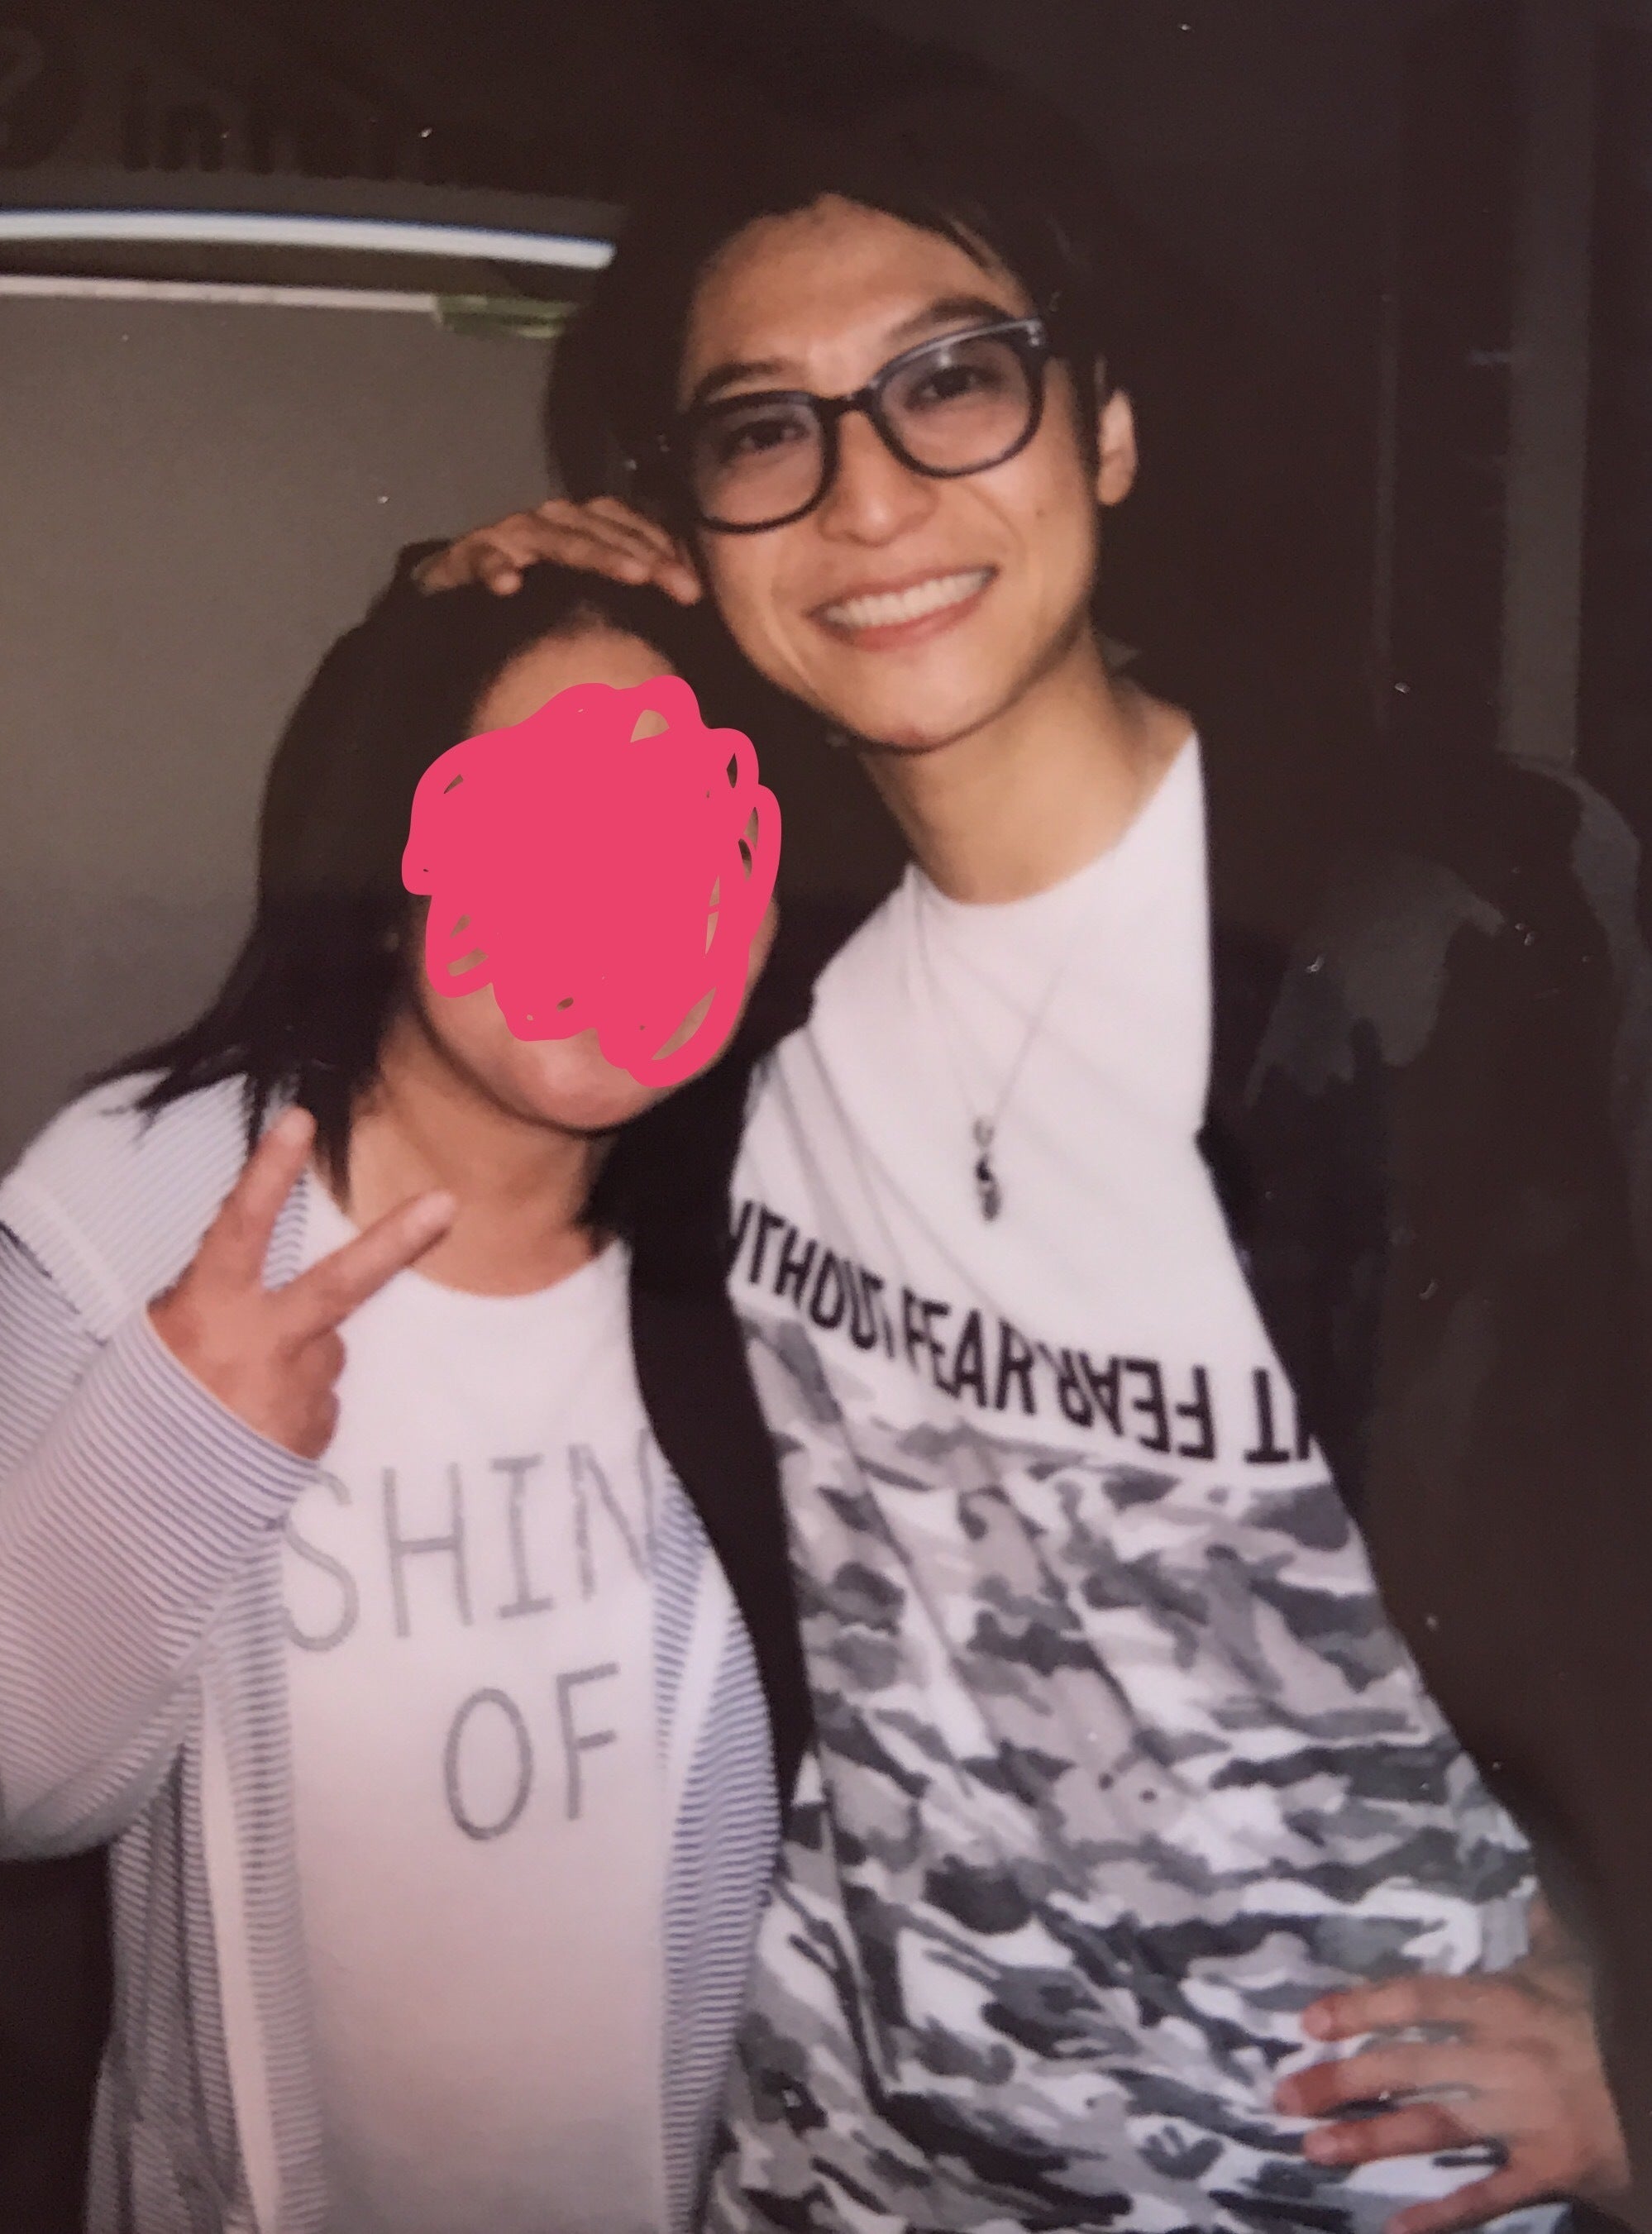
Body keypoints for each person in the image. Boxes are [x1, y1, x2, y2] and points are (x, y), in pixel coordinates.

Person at [418, 69, 1650, 2234]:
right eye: (761, 433)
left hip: (1347, 2186)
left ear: (1106, 430)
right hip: (832, 2156)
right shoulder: (741, 978)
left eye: (950, 382)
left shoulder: (1444, 944)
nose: (867, 496)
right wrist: (485, 620)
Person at [0, 567, 810, 2234]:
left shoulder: (782, 1249)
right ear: (388, 880)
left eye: (682, 831)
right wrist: (171, 1433)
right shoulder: (144, 1193)